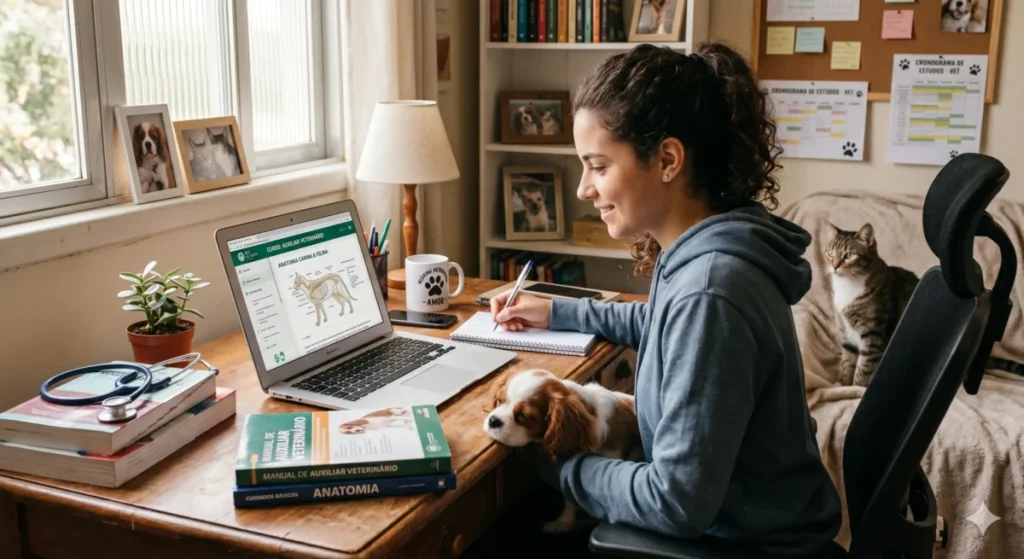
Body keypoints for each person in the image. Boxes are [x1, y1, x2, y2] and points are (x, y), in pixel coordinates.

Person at [489, 42, 843, 556]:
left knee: (503, 528)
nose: (584, 189)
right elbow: (662, 324)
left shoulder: (710, 291)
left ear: (668, 160)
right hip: (746, 519)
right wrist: (557, 310)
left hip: (741, 542)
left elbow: (675, 502)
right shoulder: (706, 251)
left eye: (598, 166)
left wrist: (557, 462)